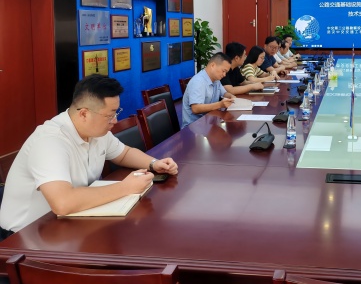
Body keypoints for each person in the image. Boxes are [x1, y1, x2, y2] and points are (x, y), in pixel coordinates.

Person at [0, 75, 178, 237]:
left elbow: (124, 154)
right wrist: (126, 187)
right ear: (84, 113)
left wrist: (154, 163)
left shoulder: (97, 131)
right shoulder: (50, 141)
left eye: (116, 113)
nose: (115, 120)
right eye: (110, 115)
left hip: (69, 223)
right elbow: (62, 203)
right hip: (24, 236)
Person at [182, 52, 236, 127]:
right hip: (193, 127)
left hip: (209, 122)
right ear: (213, 65)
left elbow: (224, 93)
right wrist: (219, 105)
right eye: (223, 71)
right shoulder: (198, 81)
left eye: (226, 72)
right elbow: (195, 108)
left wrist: (231, 96)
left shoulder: (216, 80)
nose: (224, 75)